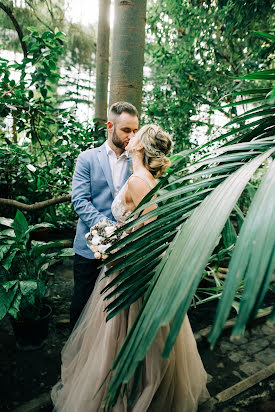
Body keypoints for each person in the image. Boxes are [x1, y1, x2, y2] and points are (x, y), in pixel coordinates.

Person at [52, 124, 209, 411]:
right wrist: (107, 238)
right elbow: (135, 225)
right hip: (125, 265)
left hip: (128, 271)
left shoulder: (139, 180)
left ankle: (130, 392)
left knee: (119, 336)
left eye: (135, 134)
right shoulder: (142, 178)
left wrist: (112, 248)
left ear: (140, 145)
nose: (130, 136)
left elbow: (149, 232)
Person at [70, 101, 139, 328]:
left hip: (125, 250)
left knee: (112, 308)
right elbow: (79, 201)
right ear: (110, 126)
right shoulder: (87, 158)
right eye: (126, 130)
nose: (132, 135)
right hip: (89, 247)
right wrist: (110, 230)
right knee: (83, 302)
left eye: (135, 130)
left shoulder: (137, 162)